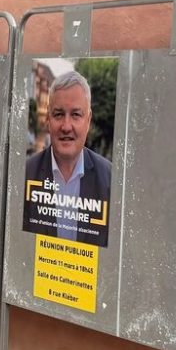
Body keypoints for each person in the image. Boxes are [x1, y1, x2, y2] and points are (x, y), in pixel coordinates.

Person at [23, 70, 112, 246]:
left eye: (76, 115)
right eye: (58, 114)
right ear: (48, 119)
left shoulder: (110, 179)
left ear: (88, 120)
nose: (66, 126)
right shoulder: (25, 175)